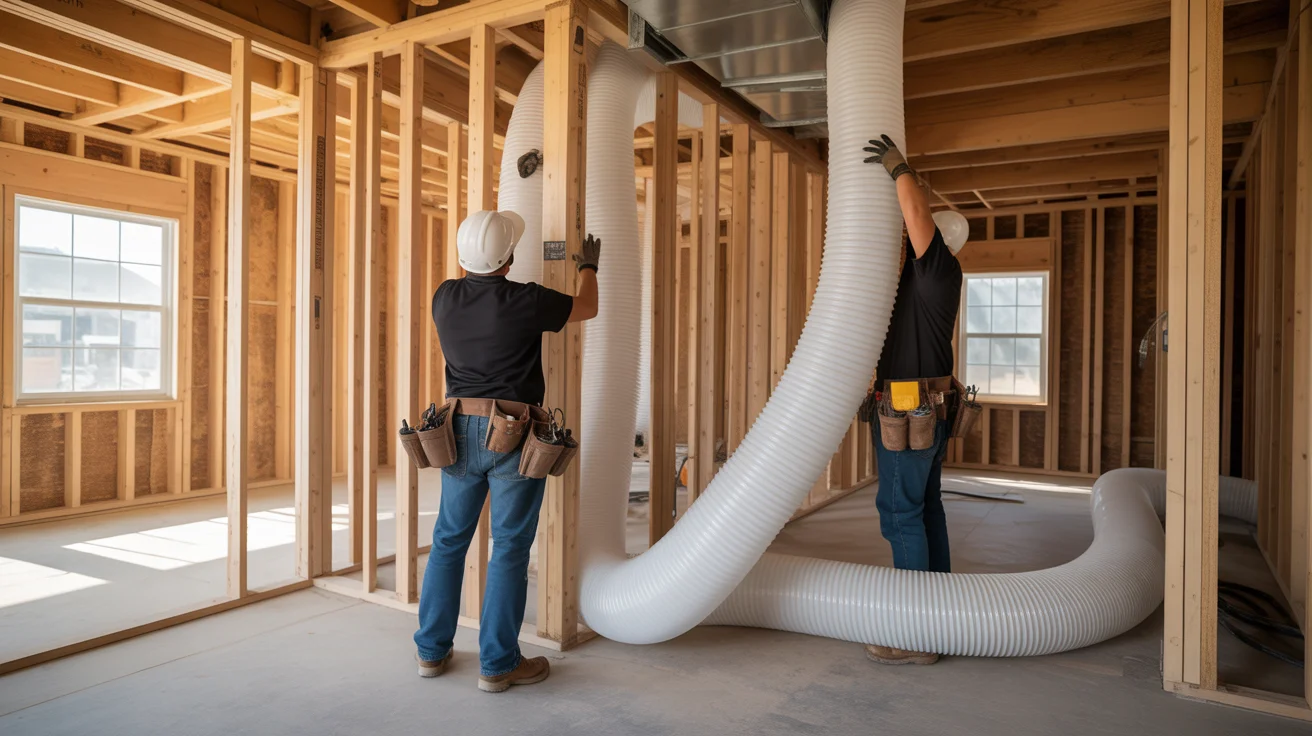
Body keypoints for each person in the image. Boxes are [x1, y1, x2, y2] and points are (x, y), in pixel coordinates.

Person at [413, 209, 600, 692]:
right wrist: (588, 267)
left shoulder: (444, 296)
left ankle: (431, 653)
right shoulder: (526, 300)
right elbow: (587, 308)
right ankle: (498, 665)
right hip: (514, 432)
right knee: (510, 548)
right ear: (509, 258)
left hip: (455, 431)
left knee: (449, 542)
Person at [861, 135, 967, 666]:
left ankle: (915, 636)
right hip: (927, 409)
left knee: (900, 515)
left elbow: (917, 214)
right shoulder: (926, 281)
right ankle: (939, 619)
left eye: (914, 235)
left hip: (911, 412)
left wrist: (900, 168)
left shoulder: (937, 271)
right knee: (926, 509)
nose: (907, 236)